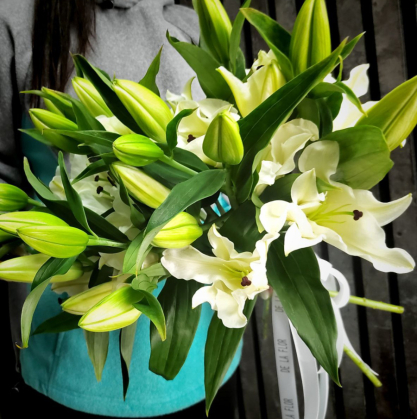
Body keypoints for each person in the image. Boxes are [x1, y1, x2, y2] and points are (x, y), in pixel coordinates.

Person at [0, 0, 241, 417]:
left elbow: (228, 166)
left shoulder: (188, 18)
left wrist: (255, 243)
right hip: (71, 360)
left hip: (203, 348)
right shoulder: (15, 18)